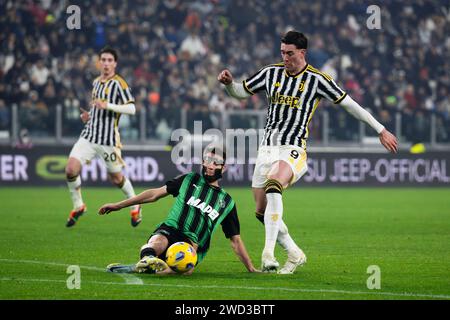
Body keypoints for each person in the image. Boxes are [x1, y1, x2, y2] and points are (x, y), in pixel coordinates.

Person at [218, 30, 398, 274]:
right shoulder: (270, 73)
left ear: (302, 53)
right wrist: (230, 85)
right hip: (267, 148)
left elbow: (350, 105)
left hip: (294, 148)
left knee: (274, 184)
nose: (285, 58)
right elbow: (241, 92)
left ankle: (268, 253)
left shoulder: (318, 80)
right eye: (282, 52)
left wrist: (380, 130)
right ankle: (294, 253)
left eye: (290, 53)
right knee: (262, 212)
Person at [98, 145, 259, 275]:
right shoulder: (188, 179)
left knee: (182, 267)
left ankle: (141, 268)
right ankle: (147, 259)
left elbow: (235, 240)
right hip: (171, 229)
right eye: (207, 160)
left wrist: (250, 267)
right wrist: (119, 205)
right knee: (158, 242)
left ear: (223, 168)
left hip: (192, 243)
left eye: (216, 162)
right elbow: (154, 194)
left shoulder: (227, 202)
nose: (210, 165)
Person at [65, 47, 142, 228]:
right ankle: (78, 206)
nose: (106, 63)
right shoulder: (96, 83)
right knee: (70, 169)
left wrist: (107, 105)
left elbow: (132, 109)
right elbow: (97, 107)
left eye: (109, 60)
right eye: (103, 60)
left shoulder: (119, 84)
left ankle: (135, 203)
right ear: (99, 62)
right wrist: (89, 116)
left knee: (116, 178)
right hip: (89, 135)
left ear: (115, 63)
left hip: (108, 141)